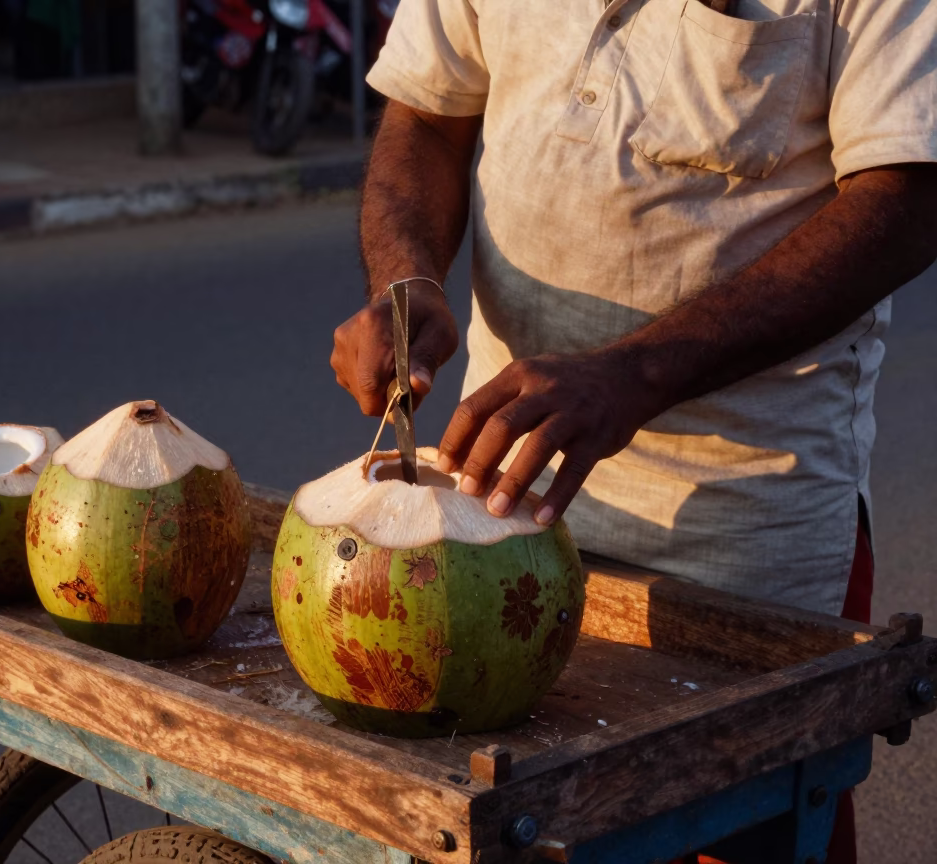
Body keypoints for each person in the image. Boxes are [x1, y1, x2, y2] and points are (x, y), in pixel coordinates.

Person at [328, 0, 937, 859]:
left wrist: (637, 373)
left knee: (733, 823)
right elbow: (426, 115)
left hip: (738, 532)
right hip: (493, 510)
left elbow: (906, 196)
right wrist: (405, 277)